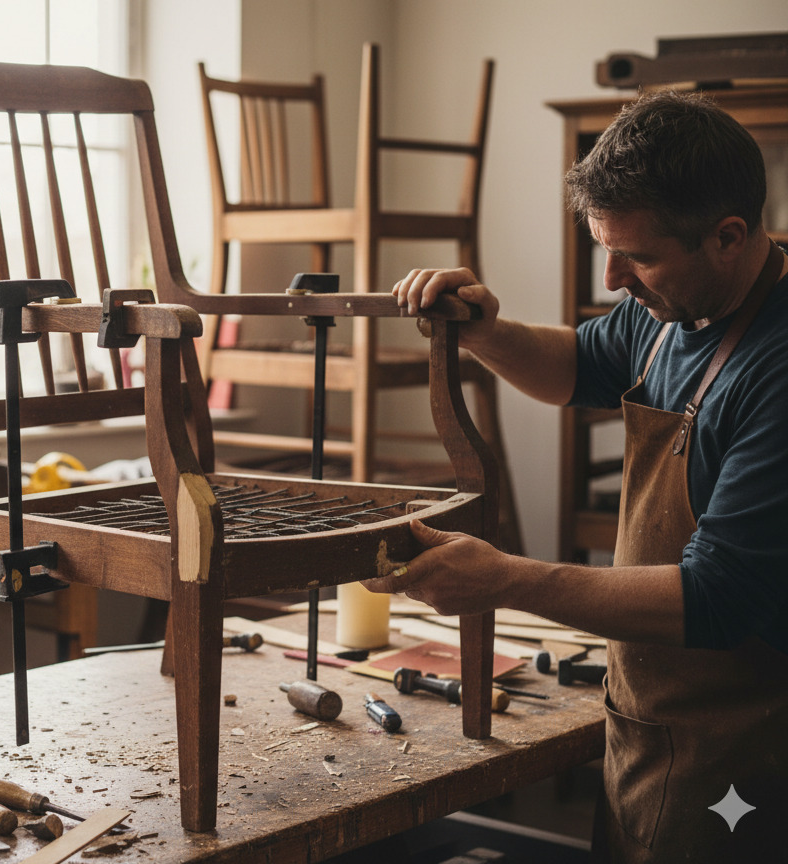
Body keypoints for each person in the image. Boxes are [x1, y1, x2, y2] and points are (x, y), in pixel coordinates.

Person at [363, 89, 788, 862]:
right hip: (651, 724)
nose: (615, 276)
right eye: (604, 246)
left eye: (639, 256)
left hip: (750, 757)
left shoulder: (777, 364)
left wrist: (505, 580)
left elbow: (717, 597)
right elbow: (579, 365)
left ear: (728, 236)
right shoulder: (677, 304)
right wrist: (486, 332)